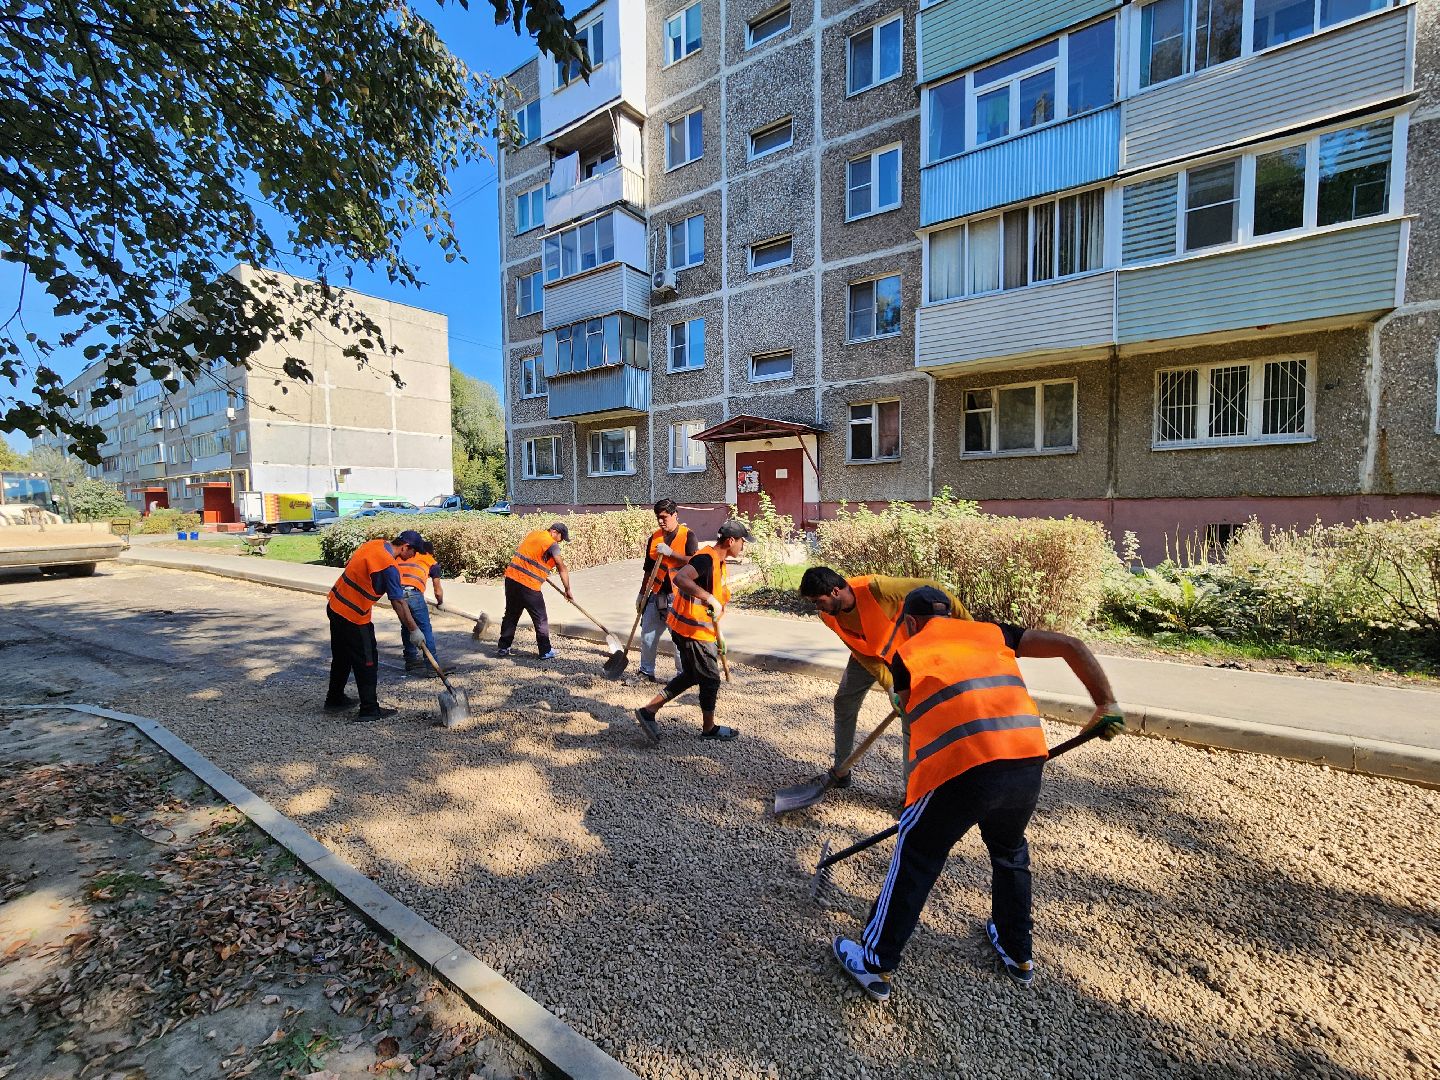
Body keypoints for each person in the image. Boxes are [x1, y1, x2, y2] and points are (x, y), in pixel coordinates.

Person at [831, 586, 1123, 1003]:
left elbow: (908, 711)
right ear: (950, 616)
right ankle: (1017, 951)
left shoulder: (906, 654)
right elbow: (1071, 645)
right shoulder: (992, 633)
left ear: (910, 622)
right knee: (1009, 851)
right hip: (1026, 761)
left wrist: (901, 698)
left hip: (963, 769)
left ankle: (874, 961)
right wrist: (1106, 703)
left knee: (917, 854)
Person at [798, 567, 970, 789]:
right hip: (871, 656)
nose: (817, 607)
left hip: (907, 655)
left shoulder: (878, 589)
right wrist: (889, 685)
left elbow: (935, 589)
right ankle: (841, 771)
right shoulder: (828, 616)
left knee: (909, 719)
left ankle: (910, 793)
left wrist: (971, 629)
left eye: (818, 601)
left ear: (834, 592)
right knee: (844, 700)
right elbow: (857, 649)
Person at [633, 519, 753, 744]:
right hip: (693, 632)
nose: (743, 546)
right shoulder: (706, 559)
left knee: (691, 675)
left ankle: (649, 711)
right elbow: (680, 578)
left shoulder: (717, 562)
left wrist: (719, 635)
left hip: (693, 629)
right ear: (731, 541)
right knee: (710, 679)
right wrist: (708, 598)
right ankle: (709, 729)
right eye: (742, 542)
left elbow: (713, 604)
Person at [324, 529, 425, 721]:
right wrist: (414, 630)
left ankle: (334, 699)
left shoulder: (375, 544)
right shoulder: (389, 567)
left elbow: (352, 565)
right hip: (354, 616)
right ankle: (369, 709)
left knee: (342, 656)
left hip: (335, 605)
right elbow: (398, 602)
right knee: (367, 660)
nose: (413, 556)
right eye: (414, 552)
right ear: (405, 547)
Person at [636, 498, 697, 682]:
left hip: (678, 596)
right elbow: (648, 569)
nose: (661, 521)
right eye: (658, 517)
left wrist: (672, 553)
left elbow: (696, 563)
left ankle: (683, 676)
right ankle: (646, 672)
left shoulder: (688, 536)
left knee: (679, 640)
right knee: (647, 636)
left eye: (664, 517)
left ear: (675, 515)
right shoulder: (654, 538)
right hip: (656, 594)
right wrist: (642, 594)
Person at [496, 521, 572, 660]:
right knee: (540, 618)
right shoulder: (551, 544)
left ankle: (503, 647)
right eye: (560, 538)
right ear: (554, 532)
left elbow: (531, 555)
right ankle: (545, 651)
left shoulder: (533, 534)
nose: (559, 542)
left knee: (511, 614)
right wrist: (567, 589)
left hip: (511, 580)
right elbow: (561, 567)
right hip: (529, 586)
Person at [397, 539, 446, 675]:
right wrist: (440, 602)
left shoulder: (404, 556)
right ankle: (432, 667)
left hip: (397, 594)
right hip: (414, 594)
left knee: (407, 625)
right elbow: (437, 590)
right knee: (425, 628)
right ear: (431, 552)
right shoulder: (430, 561)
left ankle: (411, 660)